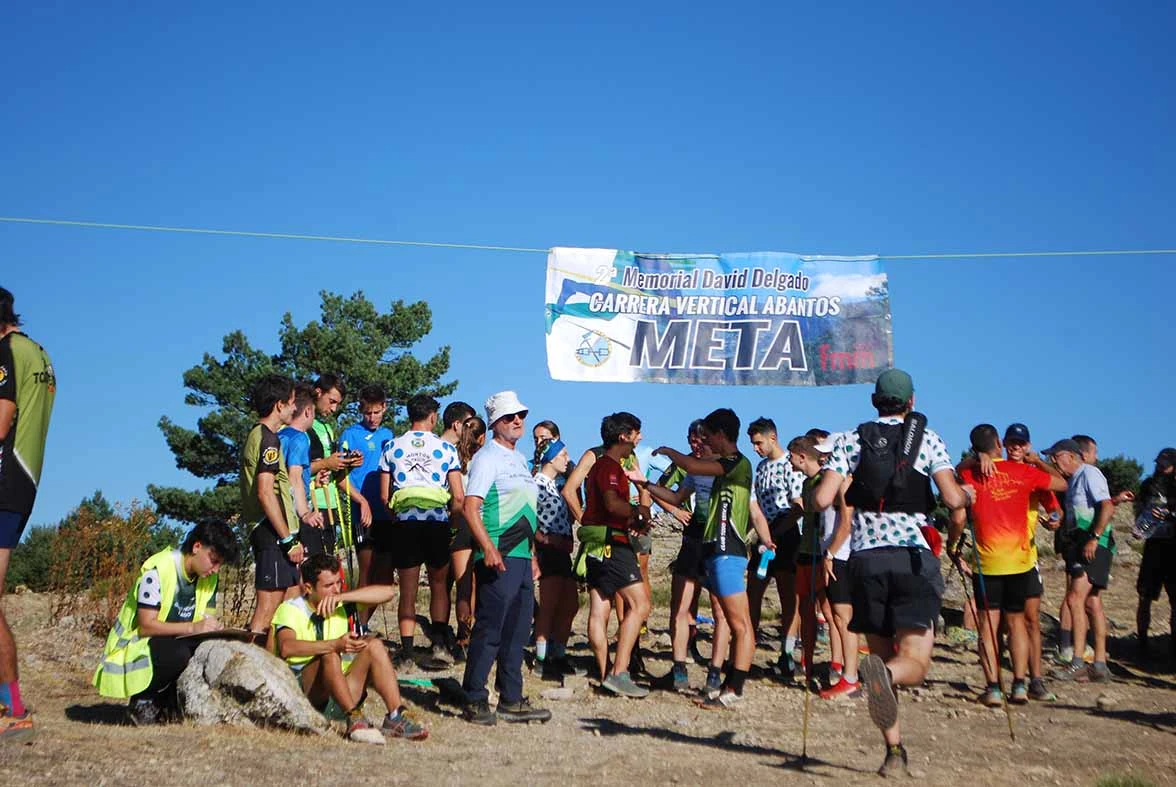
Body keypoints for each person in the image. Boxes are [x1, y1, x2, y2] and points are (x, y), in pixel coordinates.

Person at [813, 369, 974, 777]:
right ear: (911, 402)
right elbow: (954, 499)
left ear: (874, 401)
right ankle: (882, 678)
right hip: (911, 559)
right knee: (913, 665)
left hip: (865, 562)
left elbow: (821, 499)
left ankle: (894, 752)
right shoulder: (929, 439)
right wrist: (966, 494)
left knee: (885, 659)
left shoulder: (850, 440)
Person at [653, 408, 774, 709]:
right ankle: (728, 688)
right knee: (738, 622)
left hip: (728, 551)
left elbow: (692, 464)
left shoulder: (736, 462)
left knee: (739, 624)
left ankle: (734, 690)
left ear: (720, 435)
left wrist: (669, 451)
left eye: (707, 436)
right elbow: (680, 490)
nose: (704, 441)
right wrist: (645, 484)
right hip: (715, 551)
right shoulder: (728, 464)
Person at [948, 424, 1067, 706]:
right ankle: (1020, 685)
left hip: (987, 563)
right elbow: (1062, 484)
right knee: (1016, 623)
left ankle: (993, 688)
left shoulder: (971, 473)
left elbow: (954, 469)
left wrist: (977, 459)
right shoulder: (1025, 474)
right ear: (1000, 443)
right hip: (1020, 562)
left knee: (989, 626)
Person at [460, 391, 551, 725]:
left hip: (521, 557)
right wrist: (488, 547)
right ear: (495, 422)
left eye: (521, 416)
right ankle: (474, 698)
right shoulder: (488, 458)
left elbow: (526, 512)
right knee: (491, 628)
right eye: (510, 417)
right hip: (497, 554)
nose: (517, 421)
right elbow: (472, 507)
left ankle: (512, 699)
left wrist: (532, 555)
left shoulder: (521, 459)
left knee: (517, 630)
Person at [94, 521, 240, 725]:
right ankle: (145, 699)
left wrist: (214, 629)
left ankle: (174, 703)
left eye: (220, 564)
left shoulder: (208, 579)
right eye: (213, 560)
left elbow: (206, 618)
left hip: (177, 639)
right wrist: (192, 627)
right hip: (137, 644)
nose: (215, 569)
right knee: (177, 654)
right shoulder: (157, 570)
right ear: (197, 547)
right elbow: (146, 625)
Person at [272, 554, 428, 743]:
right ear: (308, 588)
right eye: (328, 586)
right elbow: (287, 647)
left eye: (338, 583)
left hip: (342, 687)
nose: (335, 589)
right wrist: (335, 644)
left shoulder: (341, 603)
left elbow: (388, 593)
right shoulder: (291, 609)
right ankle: (354, 717)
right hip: (307, 692)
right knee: (329, 654)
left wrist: (343, 597)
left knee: (375, 645)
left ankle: (395, 715)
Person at [0, 287, 54, 743]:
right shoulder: (37, 352)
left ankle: (13, 708)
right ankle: (11, 704)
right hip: (22, 480)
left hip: (5, 478)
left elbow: (2, 418)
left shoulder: (5, 352)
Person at [379, 394, 461, 668]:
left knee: (408, 590)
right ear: (433, 417)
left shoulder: (391, 447)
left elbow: (383, 496)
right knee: (439, 585)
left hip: (406, 522)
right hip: (437, 522)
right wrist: (451, 522)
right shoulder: (447, 449)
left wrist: (398, 515)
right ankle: (438, 644)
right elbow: (458, 497)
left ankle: (407, 651)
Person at [580, 412, 653, 697]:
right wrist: (638, 512)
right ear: (624, 436)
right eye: (637, 433)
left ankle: (604, 672)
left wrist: (632, 517)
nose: (640, 438)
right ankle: (619, 671)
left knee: (600, 610)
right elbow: (612, 504)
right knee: (641, 604)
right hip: (614, 545)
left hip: (596, 547)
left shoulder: (602, 467)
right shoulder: (609, 467)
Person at [643, 419, 713, 692]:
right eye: (690, 439)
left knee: (710, 600)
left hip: (715, 538)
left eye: (699, 439)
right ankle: (681, 660)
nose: (694, 444)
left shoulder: (721, 465)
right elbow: (665, 490)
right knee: (682, 597)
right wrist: (674, 511)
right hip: (690, 533)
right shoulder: (681, 466)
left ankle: (708, 659)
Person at [1047, 438, 1116, 683]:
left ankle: (1077, 661)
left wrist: (1095, 538)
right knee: (1092, 602)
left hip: (1093, 544)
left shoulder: (1089, 472)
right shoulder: (1074, 480)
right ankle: (1099, 664)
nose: (1053, 460)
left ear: (1072, 455)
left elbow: (1107, 505)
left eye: (1056, 456)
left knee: (1075, 598)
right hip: (1084, 543)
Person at [240, 374, 304, 635]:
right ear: (279, 405)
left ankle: (280, 667)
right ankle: (247, 671)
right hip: (271, 530)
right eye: (291, 402)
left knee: (290, 604)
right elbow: (265, 493)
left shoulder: (261, 435)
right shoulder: (268, 438)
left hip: (277, 529)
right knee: (267, 610)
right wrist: (287, 539)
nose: (294, 408)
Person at [745, 417, 804, 676]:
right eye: (753, 444)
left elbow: (798, 506)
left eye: (759, 443)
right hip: (764, 532)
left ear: (773, 438)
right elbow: (754, 505)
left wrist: (777, 533)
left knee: (788, 596)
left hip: (786, 533)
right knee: (753, 592)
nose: (756, 448)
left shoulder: (790, 466)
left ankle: (787, 653)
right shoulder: (760, 468)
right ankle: (747, 647)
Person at [788, 435, 844, 689]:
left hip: (823, 553)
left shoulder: (827, 480)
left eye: (792, 456)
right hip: (805, 551)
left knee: (832, 612)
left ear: (802, 456)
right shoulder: (806, 484)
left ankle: (837, 663)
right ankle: (806, 663)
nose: (790, 461)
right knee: (806, 611)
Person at [532, 437, 583, 680]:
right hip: (549, 550)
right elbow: (527, 517)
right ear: (551, 458)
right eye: (563, 454)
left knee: (570, 603)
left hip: (562, 550)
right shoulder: (537, 485)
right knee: (550, 605)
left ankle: (557, 653)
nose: (567, 459)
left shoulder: (555, 485)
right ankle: (542, 658)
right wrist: (542, 540)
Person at [339, 385, 395, 592]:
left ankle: (363, 622)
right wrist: (361, 501)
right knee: (367, 572)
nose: (372, 418)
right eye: (367, 413)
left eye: (376, 413)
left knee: (385, 576)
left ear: (384, 408)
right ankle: (357, 624)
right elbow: (340, 478)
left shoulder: (388, 435)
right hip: (362, 514)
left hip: (385, 512)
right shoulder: (350, 435)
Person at [305, 374, 360, 557]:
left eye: (338, 404)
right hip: (307, 506)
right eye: (331, 401)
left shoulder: (326, 428)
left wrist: (346, 463)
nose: (334, 408)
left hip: (330, 505)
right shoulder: (297, 426)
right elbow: (292, 470)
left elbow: (329, 467)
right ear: (318, 392)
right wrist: (325, 463)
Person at [1135, 448, 1176, 660]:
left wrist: (1171, 513)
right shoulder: (1148, 485)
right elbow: (1140, 509)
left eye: (1165, 464)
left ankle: (1172, 645)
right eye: (1159, 463)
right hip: (1153, 545)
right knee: (1144, 596)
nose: (1161, 467)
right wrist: (1139, 526)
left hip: (1173, 547)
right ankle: (1141, 642)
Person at [451, 414, 486, 657]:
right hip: (483, 522)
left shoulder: (452, 458)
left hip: (459, 522)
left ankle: (463, 636)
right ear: (482, 437)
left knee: (463, 585)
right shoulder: (485, 459)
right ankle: (481, 634)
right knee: (483, 583)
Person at [277, 382, 325, 555]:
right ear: (308, 411)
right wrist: (305, 513)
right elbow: (294, 478)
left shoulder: (279, 435)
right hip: (292, 513)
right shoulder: (300, 438)